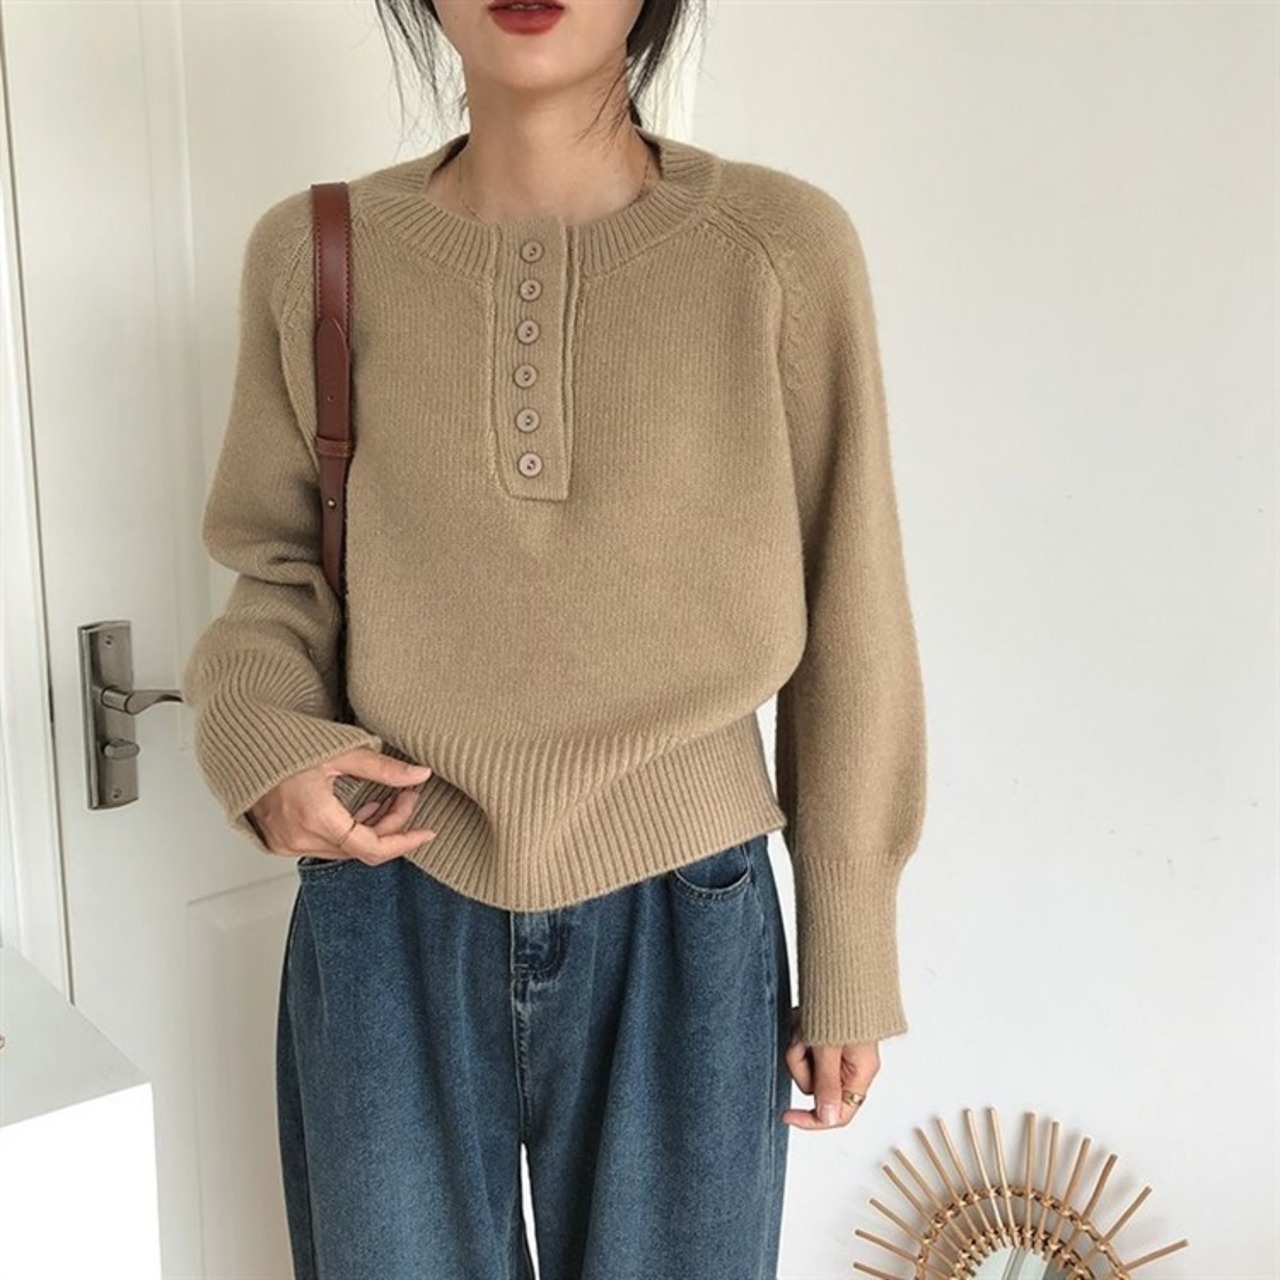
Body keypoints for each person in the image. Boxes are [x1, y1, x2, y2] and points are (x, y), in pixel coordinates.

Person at [181, 1, 928, 1276]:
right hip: (388, 895)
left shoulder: (779, 249)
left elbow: (852, 597)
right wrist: (259, 737)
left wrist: (847, 935)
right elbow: (278, 563)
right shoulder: (312, 254)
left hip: (688, 908)